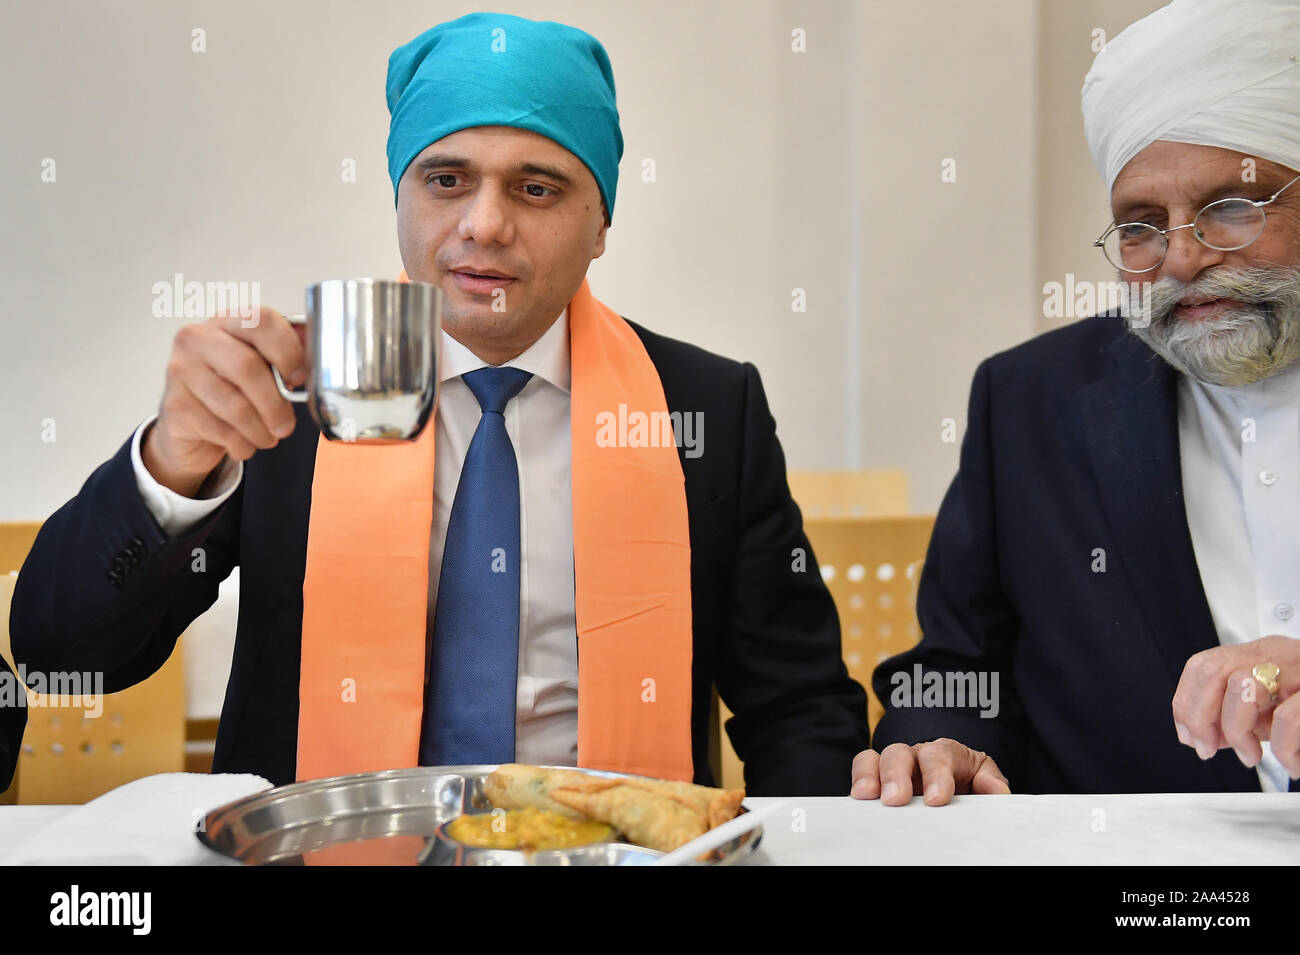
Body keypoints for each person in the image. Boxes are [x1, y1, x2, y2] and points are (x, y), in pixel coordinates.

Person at [10, 12, 867, 794]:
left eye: (537, 188)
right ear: (401, 199)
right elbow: (58, 655)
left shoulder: (708, 410)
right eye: (447, 179)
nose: (485, 225)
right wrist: (171, 462)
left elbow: (798, 710)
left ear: (602, 222)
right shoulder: (292, 395)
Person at [851, 0, 1300, 805]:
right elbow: (958, 662)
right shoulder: (1029, 401)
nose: (1183, 258)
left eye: (1231, 209)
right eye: (1140, 226)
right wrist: (939, 739)